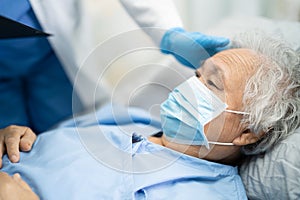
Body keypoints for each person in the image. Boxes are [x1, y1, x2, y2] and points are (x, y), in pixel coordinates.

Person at [0, 31, 299, 199]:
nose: (189, 86)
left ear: (247, 133)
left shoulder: (205, 195)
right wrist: (18, 140)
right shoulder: (127, 117)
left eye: (212, 84)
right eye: (196, 74)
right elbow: (46, 152)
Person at [0, 0, 229, 134]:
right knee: (13, 149)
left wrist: (169, 33)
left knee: (61, 134)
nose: (197, 83)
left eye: (213, 82)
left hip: (53, 54)